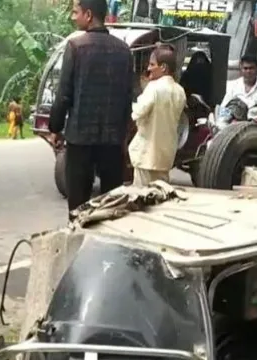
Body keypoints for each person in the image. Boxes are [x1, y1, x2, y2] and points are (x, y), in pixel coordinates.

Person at [49, 0, 134, 214]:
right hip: (112, 143)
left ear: (88, 15)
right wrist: (123, 139)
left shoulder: (76, 47)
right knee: (110, 206)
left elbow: (64, 94)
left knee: (78, 206)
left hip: (80, 140)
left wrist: (55, 128)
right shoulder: (124, 51)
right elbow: (127, 99)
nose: (72, 16)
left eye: (75, 12)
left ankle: (79, 241)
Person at [128, 45, 186, 186]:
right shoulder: (180, 91)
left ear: (163, 67)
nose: (148, 68)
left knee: (142, 199)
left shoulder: (154, 88)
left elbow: (137, 113)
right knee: (160, 198)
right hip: (165, 158)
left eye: (152, 64)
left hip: (146, 156)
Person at [220, 54, 257, 124]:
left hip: (255, 126)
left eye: (251, 68)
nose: (248, 71)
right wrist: (231, 121)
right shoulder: (233, 85)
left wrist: (248, 122)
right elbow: (223, 110)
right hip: (234, 125)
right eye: (245, 68)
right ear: (241, 69)